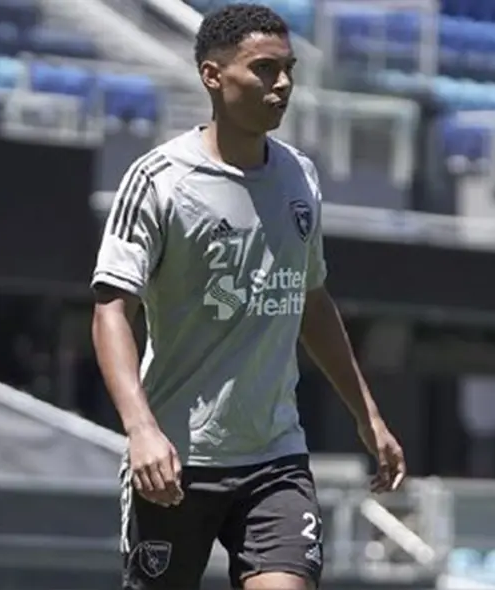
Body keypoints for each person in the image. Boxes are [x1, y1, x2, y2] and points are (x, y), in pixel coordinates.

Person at [89, 4, 407, 590]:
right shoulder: (160, 181)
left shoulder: (300, 178)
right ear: (213, 75)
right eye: (264, 69)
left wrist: (369, 416)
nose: (282, 84)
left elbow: (312, 302)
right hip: (176, 462)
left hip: (274, 459)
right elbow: (112, 309)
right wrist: (140, 429)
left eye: (288, 69)